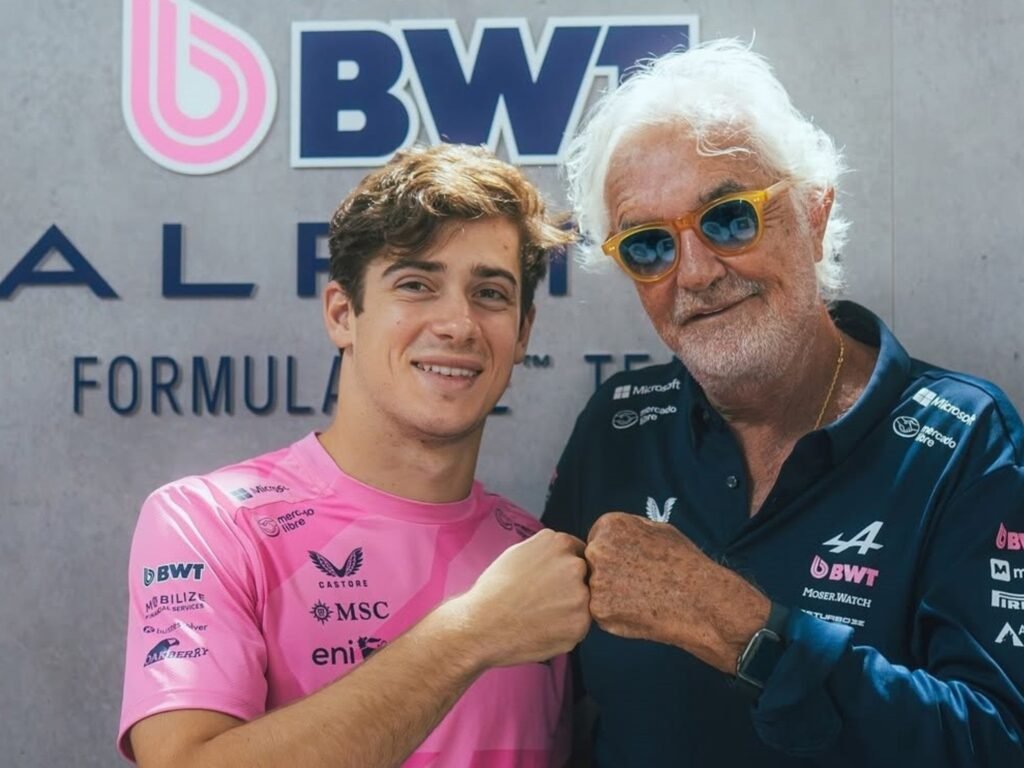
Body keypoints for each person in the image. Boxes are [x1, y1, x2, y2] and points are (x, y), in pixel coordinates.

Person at [543, 39, 1024, 766]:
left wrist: (744, 629)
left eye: (729, 218)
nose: (695, 273)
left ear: (815, 214)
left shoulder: (966, 440)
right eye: (648, 246)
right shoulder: (618, 424)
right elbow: (537, 701)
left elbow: (998, 740)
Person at [118, 143, 590, 768]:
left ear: (522, 331)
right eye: (416, 285)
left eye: (491, 294)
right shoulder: (210, 523)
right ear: (343, 314)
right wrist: (472, 633)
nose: (458, 324)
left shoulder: (539, 559)